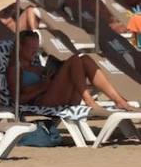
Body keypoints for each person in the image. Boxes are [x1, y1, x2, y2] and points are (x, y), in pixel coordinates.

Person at [8, 31, 138, 114]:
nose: (34, 52)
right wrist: (43, 86)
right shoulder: (15, 69)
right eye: (31, 48)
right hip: (40, 102)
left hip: (59, 96)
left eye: (36, 49)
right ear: (20, 47)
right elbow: (18, 100)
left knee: (85, 59)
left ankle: (118, 100)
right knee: (75, 59)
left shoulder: (36, 65)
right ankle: (89, 101)